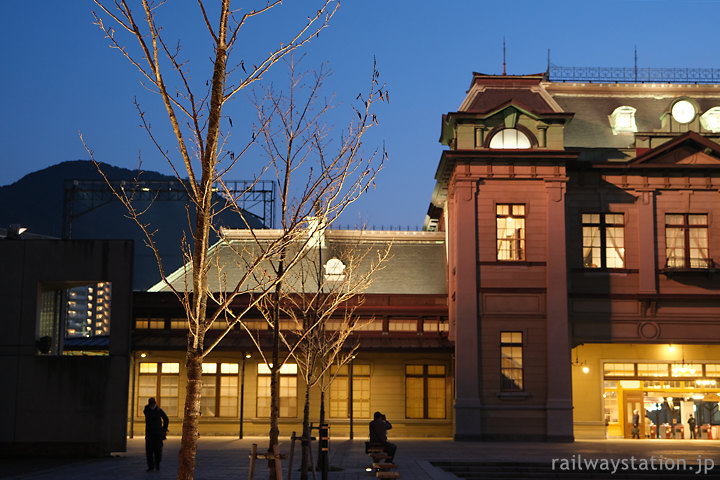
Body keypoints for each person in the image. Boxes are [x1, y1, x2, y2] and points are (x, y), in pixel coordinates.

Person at [144, 397, 169, 471]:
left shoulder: (158, 410)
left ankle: (157, 464)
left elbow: (166, 419)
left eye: (153, 403)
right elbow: (149, 415)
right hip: (150, 434)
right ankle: (151, 466)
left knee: (158, 451)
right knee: (149, 452)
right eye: (151, 404)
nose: (152, 405)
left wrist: (163, 429)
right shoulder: (147, 410)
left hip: (158, 434)